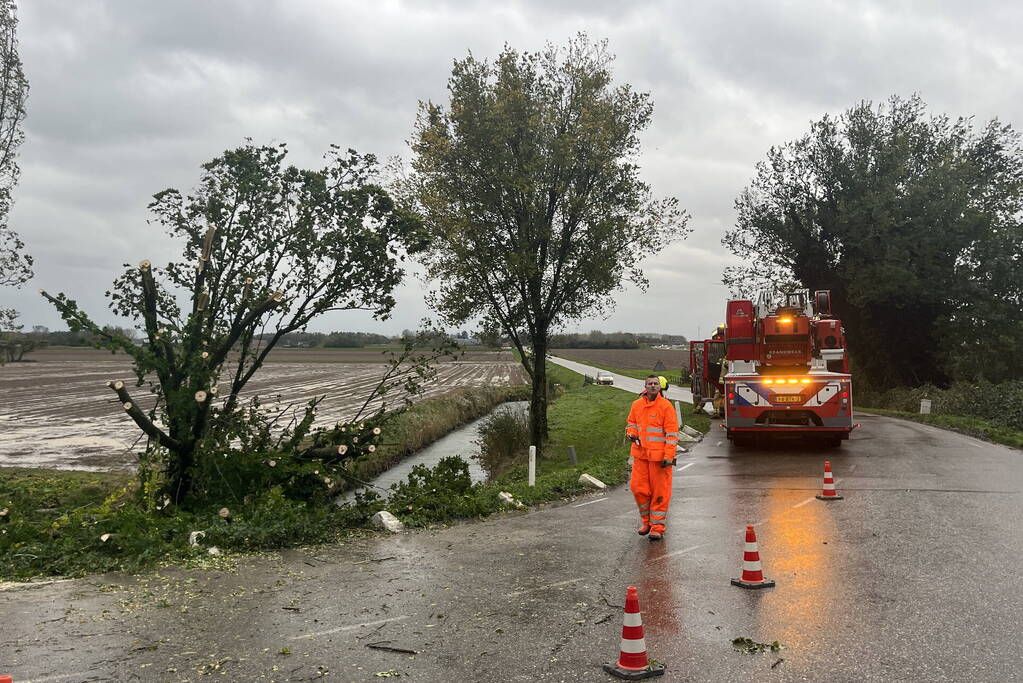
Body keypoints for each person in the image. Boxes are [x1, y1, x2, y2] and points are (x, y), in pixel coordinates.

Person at [625, 375, 680, 541]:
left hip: (659, 458)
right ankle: (646, 522)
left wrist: (669, 456)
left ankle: (657, 527)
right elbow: (631, 424)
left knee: (660, 493)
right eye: (650, 384)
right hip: (640, 455)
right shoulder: (637, 405)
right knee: (638, 489)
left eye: (656, 383)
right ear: (645, 386)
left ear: (660, 387)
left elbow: (672, 434)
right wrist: (631, 433)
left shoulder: (666, 406)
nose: (653, 386)